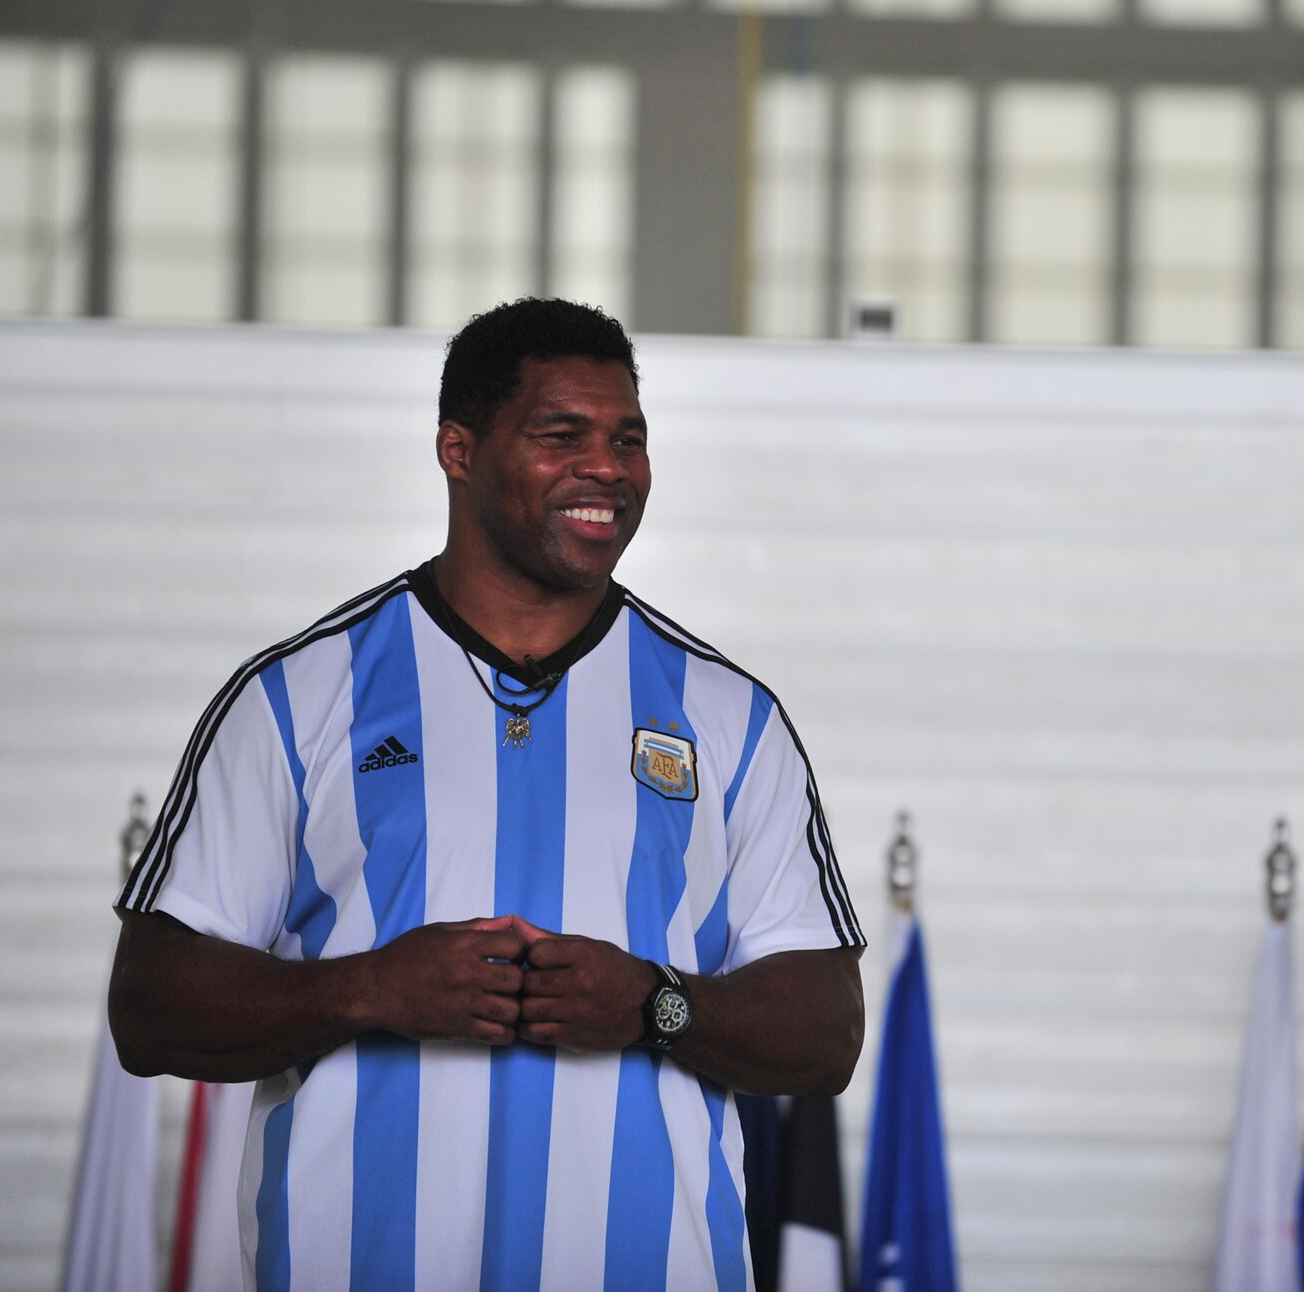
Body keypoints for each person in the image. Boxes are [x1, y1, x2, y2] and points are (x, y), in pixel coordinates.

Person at [109, 297, 867, 1291]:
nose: (607, 467)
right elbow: (149, 1009)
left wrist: (656, 1005)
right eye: (563, 435)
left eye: (627, 439)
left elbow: (825, 1031)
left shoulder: (727, 715)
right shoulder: (296, 697)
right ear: (456, 451)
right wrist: (369, 989)